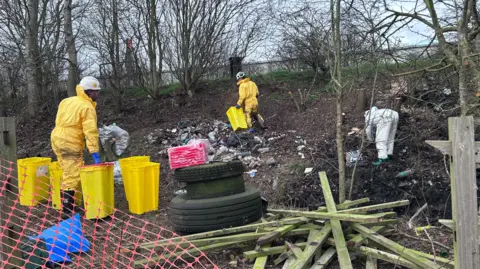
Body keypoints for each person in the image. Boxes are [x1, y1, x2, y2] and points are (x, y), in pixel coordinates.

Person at [51, 76, 102, 219]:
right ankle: (67, 213)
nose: (97, 94)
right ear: (88, 92)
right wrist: (94, 151)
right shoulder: (87, 107)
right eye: (95, 91)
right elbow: (90, 132)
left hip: (56, 137)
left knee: (66, 171)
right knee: (72, 175)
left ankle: (68, 205)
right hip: (70, 141)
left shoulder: (66, 101)